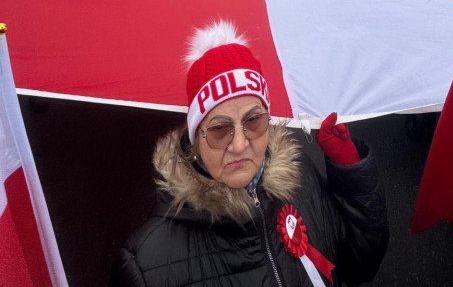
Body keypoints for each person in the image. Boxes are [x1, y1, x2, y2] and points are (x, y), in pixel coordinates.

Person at [109, 22, 388, 286]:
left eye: (253, 121)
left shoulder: (299, 172)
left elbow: (360, 265)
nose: (240, 145)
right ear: (196, 138)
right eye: (219, 129)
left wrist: (349, 170)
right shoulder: (144, 266)